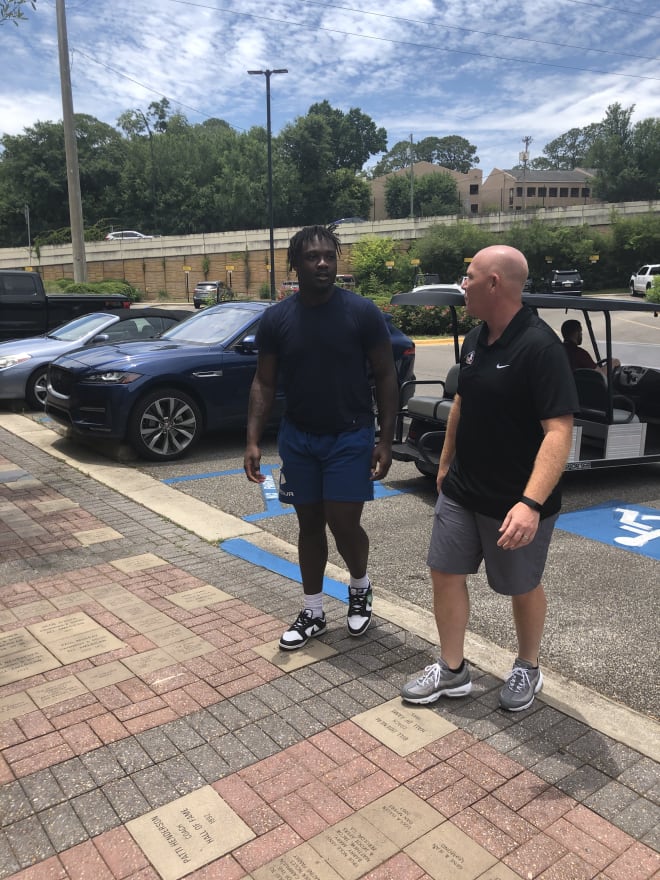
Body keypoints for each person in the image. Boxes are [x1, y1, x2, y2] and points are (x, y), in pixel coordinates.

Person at [401, 245, 578, 712]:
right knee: (444, 572)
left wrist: (531, 503)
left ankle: (528, 666)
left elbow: (559, 432)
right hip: (463, 488)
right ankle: (453, 670)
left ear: (495, 283)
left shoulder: (541, 347)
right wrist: (443, 463)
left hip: (515, 500)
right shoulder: (478, 338)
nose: (464, 285)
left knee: (520, 586)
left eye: (470, 276)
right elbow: (463, 402)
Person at [244, 225, 398, 650]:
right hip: (299, 436)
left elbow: (386, 376)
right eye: (312, 257)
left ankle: (360, 587)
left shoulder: (361, 312)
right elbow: (263, 381)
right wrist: (253, 439)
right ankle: (312, 610)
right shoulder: (278, 319)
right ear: (296, 265)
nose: (323, 263)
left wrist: (385, 440)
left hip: (350, 434)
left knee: (343, 521)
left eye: (329, 255)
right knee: (308, 522)